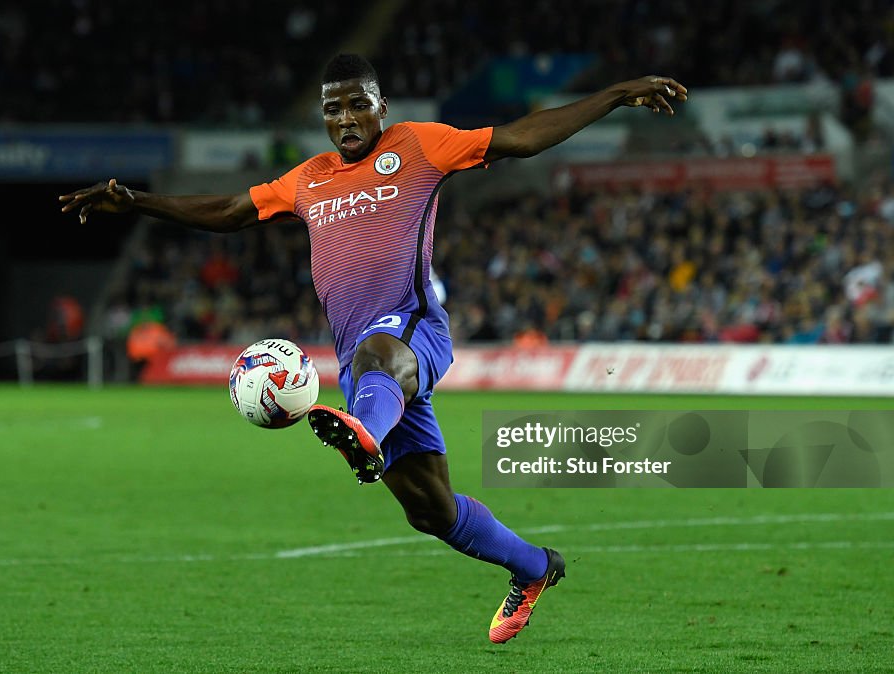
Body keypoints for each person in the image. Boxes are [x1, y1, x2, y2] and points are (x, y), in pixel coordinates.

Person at [60, 54, 686, 643]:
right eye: (333, 110)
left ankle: (365, 434)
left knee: (374, 356)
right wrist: (135, 201)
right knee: (431, 512)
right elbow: (228, 209)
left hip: (413, 332)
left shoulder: (418, 144)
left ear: (381, 105)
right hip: (371, 375)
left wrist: (614, 94)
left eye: (357, 105)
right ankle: (534, 566)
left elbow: (521, 137)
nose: (345, 120)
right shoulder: (309, 180)